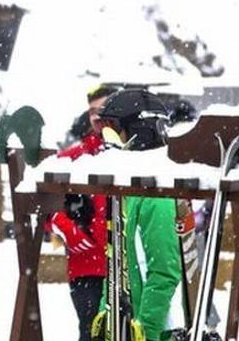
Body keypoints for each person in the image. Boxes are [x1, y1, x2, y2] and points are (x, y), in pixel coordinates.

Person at [92, 89, 184, 341]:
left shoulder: (157, 197)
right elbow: (116, 261)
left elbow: (165, 273)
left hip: (159, 331)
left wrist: (146, 330)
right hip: (125, 326)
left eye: (113, 132)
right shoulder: (128, 191)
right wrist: (106, 313)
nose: (107, 144)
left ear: (138, 133)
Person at [47, 84, 117, 341]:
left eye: (103, 109)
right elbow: (45, 201)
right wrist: (67, 230)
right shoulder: (75, 157)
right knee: (91, 333)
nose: (97, 117)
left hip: (128, 267)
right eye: (92, 112)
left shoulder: (136, 156)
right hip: (87, 267)